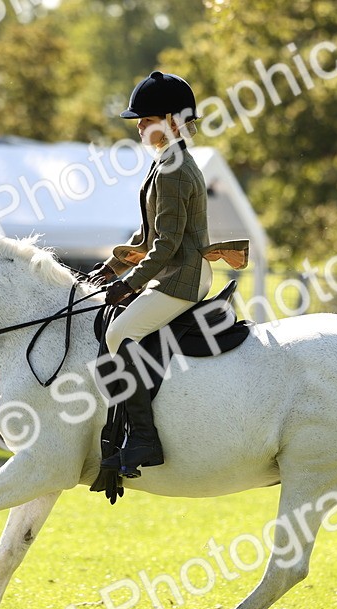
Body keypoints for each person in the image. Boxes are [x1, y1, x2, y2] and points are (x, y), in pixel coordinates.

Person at [88, 71, 213, 478]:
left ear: (173, 121)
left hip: (182, 277)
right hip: (175, 271)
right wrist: (111, 268)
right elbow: (147, 236)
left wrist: (129, 284)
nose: (139, 126)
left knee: (118, 334)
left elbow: (168, 246)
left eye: (146, 119)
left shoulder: (175, 169)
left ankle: (144, 437)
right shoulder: (166, 162)